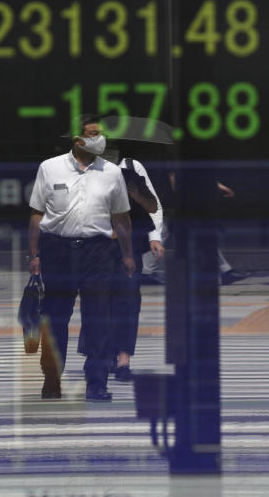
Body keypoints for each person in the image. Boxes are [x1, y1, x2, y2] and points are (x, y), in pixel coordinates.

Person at [28, 116, 133, 402]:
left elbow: (121, 217)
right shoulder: (49, 168)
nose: (101, 139)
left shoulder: (111, 173)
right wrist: (34, 254)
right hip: (57, 251)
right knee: (56, 318)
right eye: (95, 134)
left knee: (98, 319)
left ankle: (96, 383)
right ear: (78, 140)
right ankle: (52, 379)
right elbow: (37, 213)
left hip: (98, 252)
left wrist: (127, 255)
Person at [105, 154, 160, 381]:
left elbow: (154, 204)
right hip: (97, 245)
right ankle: (104, 354)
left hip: (129, 247)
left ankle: (123, 358)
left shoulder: (131, 167)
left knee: (128, 302)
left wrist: (154, 237)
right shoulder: (83, 171)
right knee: (100, 302)